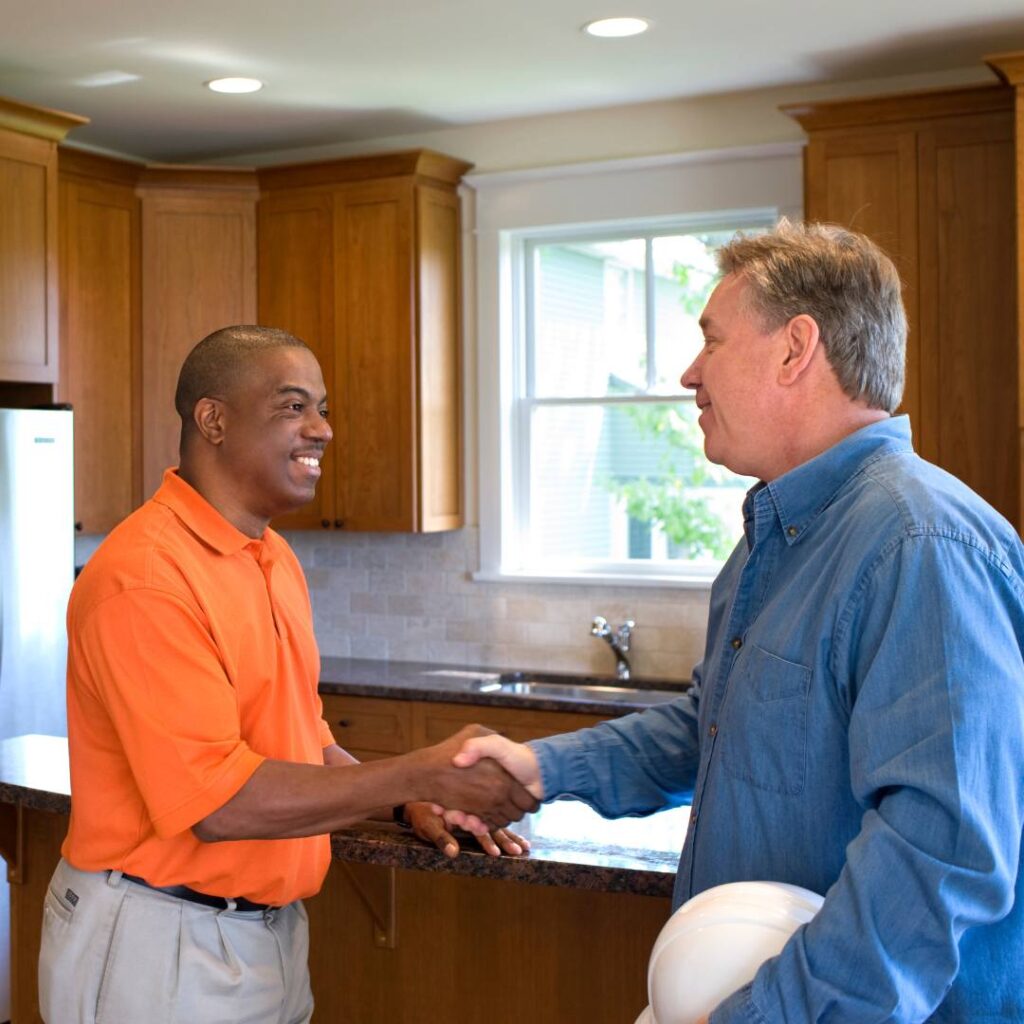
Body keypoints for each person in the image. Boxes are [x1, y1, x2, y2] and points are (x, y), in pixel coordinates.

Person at [456, 221, 1024, 1022]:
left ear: (796, 349)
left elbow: (941, 853)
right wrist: (544, 770)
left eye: (711, 341)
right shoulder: (779, 538)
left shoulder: (920, 543)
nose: (690, 373)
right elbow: (716, 725)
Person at [40, 325, 536, 1024]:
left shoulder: (270, 557)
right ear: (213, 419)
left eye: (323, 407)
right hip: (158, 942)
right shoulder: (146, 579)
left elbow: (300, 744)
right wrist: (418, 772)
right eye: (293, 406)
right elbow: (219, 806)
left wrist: (399, 804)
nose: (323, 429)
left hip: (266, 936)